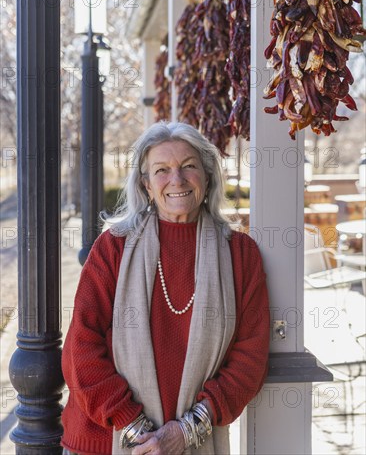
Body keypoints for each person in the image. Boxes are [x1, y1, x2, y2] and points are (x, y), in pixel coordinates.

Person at [61, 121, 270, 455]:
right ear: (145, 184)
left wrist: (186, 431)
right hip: (103, 438)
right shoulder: (113, 248)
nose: (177, 180)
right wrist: (134, 429)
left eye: (189, 166)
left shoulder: (240, 254)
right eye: (162, 170)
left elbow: (251, 357)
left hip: (195, 440)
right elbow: (80, 347)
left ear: (208, 175)